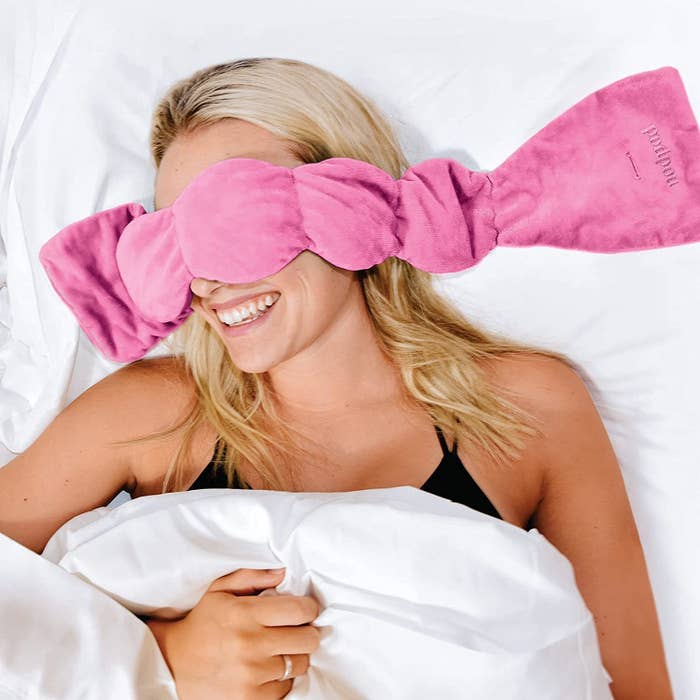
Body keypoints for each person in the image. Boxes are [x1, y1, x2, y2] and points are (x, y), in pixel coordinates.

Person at [0, 57, 673, 700]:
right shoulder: (149, 415)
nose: (203, 280)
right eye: (170, 243)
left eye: (231, 223)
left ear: (354, 201)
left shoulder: (531, 407)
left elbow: (632, 685)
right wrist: (162, 655)